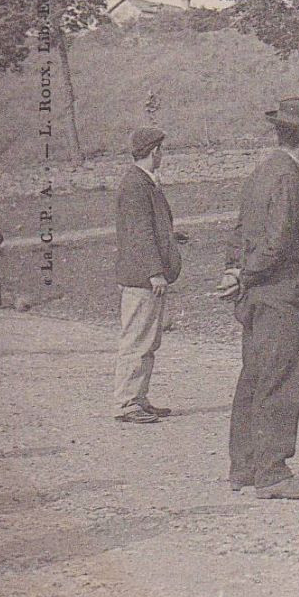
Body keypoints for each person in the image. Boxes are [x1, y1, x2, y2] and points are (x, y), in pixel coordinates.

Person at [216, 98, 299, 500]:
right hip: (278, 295)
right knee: (281, 380)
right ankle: (273, 473)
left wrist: (234, 271)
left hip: (256, 296)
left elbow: (240, 230)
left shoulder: (261, 172)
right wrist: (247, 273)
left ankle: (243, 467)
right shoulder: (287, 177)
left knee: (254, 377)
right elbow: (278, 242)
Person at [110, 127, 184, 424]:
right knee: (137, 339)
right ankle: (126, 403)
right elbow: (138, 234)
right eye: (162, 150)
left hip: (144, 275)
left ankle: (138, 397)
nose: (163, 155)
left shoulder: (145, 182)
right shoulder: (136, 185)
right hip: (142, 279)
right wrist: (155, 271)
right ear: (154, 151)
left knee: (148, 340)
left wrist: (170, 236)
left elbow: (148, 227)